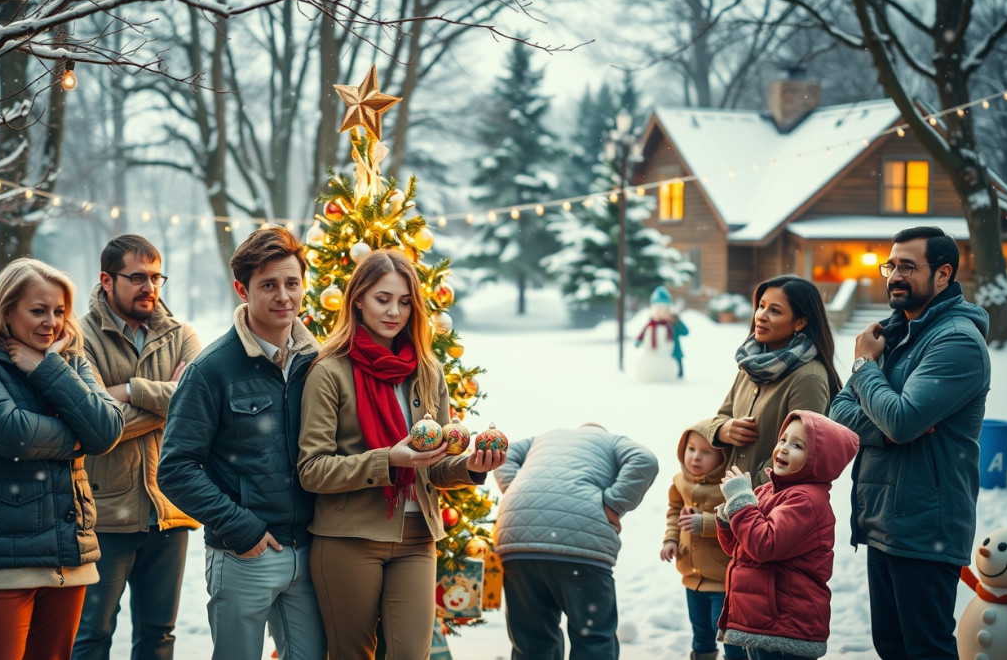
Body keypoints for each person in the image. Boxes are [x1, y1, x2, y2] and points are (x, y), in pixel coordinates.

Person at [297, 249, 506, 659]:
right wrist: (387, 460)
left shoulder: (427, 369)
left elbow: (437, 464)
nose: (395, 311)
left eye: (406, 302)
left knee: (412, 654)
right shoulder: (330, 370)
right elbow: (312, 470)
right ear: (357, 299)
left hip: (417, 539)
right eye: (383, 298)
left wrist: (469, 466)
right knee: (350, 654)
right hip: (348, 539)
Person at [0, 257, 123, 660]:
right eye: (38, 311)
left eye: (59, 311)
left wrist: (47, 368)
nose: (52, 323)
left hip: (66, 556)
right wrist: (79, 439)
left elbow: (108, 430)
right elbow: (15, 434)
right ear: (6, 309)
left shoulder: (67, 358)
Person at [157, 227, 325, 660]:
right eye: (269, 285)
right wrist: (240, 527)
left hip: (311, 551)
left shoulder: (320, 362)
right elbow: (175, 469)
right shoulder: (211, 370)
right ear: (242, 289)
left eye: (292, 283)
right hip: (244, 554)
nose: (284, 296)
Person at [830, 226, 990, 660]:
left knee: (925, 651)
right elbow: (839, 412)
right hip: (884, 520)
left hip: (926, 524)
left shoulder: (956, 341)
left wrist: (865, 366)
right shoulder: (897, 334)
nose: (894, 275)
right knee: (892, 648)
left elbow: (900, 420)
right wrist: (884, 422)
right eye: (891, 265)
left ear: (943, 275)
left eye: (907, 266)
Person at [73, 235, 202, 660]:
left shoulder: (182, 335)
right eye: (137, 277)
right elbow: (94, 426)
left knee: (159, 635)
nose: (150, 287)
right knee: (91, 635)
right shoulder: (79, 339)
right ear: (106, 280)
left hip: (170, 511)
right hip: (104, 517)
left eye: (155, 277)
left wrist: (128, 389)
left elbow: (200, 408)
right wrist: (171, 399)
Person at [494, 423, 659, 660]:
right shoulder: (612, 442)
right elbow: (646, 459)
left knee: (533, 641)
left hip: (517, 542)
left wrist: (517, 492)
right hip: (581, 550)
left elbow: (503, 455)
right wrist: (613, 504)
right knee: (592, 638)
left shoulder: (542, 437)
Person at [716, 410, 859, 660]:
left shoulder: (806, 502)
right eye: (783, 440)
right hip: (761, 619)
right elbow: (738, 549)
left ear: (819, 459)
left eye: (797, 445)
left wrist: (741, 502)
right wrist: (728, 518)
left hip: (786, 627)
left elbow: (763, 545)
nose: (783, 449)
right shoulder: (767, 491)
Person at [688, 275, 841, 486]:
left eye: (775, 311)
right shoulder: (750, 365)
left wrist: (752, 488)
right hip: (734, 501)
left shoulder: (808, 378)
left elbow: (801, 453)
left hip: (771, 506)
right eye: (761, 306)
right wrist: (724, 430)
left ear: (800, 322)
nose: (761, 316)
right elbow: (723, 415)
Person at [660, 430, 746, 660]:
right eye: (691, 449)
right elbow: (674, 512)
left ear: (723, 457)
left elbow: (739, 518)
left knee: (728, 634)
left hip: (723, 581)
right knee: (701, 632)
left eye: (705, 452)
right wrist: (671, 538)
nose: (695, 457)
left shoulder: (729, 486)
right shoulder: (680, 481)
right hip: (692, 578)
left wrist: (707, 523)